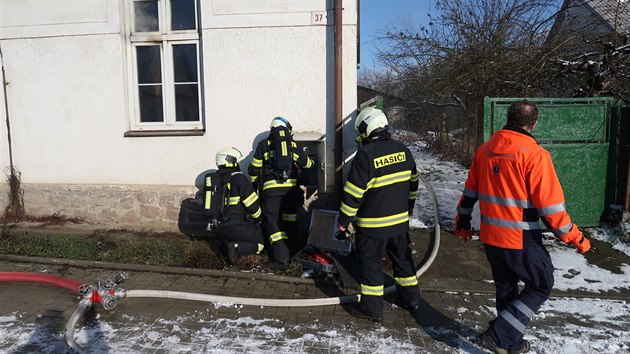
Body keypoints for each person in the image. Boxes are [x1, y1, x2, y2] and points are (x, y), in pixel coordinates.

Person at [454, 100, 591, 354]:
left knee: (506, 289)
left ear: (508, 118)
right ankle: (499, 334)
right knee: (541, 284)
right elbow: (551, 210)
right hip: (521, 237)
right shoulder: (535, 155)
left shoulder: (485, 150)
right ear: (534, 123)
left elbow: (469, 192)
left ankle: (509, 344)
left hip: (491, 237)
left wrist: (462, 223)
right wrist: (575, 238)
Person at [336, 107, 421, 322]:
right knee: (403, 261)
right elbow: (413, 185)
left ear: (368, 129)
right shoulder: (404, 150)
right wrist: (408, 207)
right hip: (400, 223)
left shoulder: (366, 155)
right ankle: (411, 300)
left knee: (370, 265)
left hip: (373, 227)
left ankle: (371, 309)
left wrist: (344, 221)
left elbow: (353, 194)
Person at [248, 117, 314, 267]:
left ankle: (281, 258)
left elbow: (254, 169)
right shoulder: (292, 145)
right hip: (291, 191)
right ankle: (292, 252)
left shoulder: (263, 145)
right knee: (290, 220)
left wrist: (254, 185)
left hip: (272, 192)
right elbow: (307, 163)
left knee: (273, 223)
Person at [214, 147, 265, 264]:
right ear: (231, 161)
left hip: (219, 228)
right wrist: (259, 220)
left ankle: (225, 247)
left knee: (231, 237)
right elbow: (253, 206)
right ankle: (237, 248)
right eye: (237, 161)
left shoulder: (215, 179)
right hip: (237, 225)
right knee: (260, 243)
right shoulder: (239, 179)